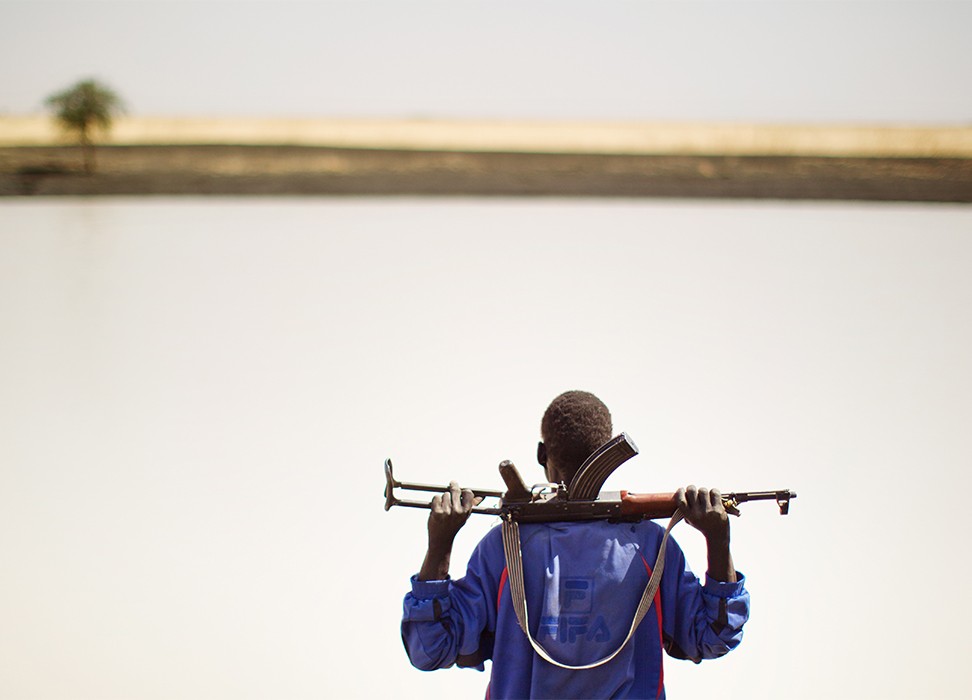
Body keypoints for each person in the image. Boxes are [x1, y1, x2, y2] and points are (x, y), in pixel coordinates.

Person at [401, 390, 749, 699]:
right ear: (608, 453)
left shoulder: (505, 547)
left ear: (542, 454)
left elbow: (429, 649)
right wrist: (718, 541)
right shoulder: (649, 547)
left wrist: (440, 544)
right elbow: (713, 635)